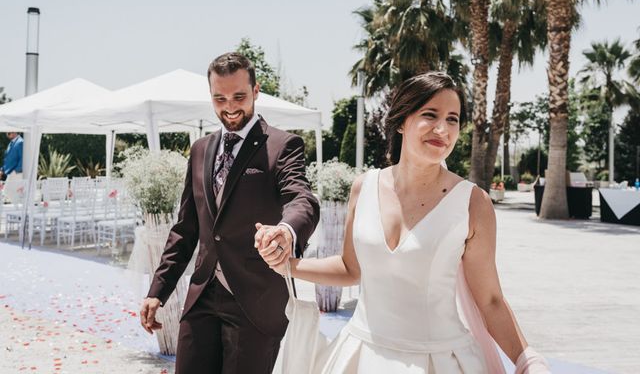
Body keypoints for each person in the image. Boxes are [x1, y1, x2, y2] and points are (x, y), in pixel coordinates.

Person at [257, 72, 549, 373]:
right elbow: (350, 269)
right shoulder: (363, 187)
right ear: (401, 121)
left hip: (440, 362)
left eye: (452, 119)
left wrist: (527, 360)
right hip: (359, 355)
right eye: (430, 114)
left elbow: (490, 300)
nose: (442, 128)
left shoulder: (473, 204)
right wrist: (286, 265)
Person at [139, 52, 320, 374]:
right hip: (202, 298)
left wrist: (286, 231)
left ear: (256, 91)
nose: (230, 106)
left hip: (255, 300)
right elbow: (185, 228)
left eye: (239, 96)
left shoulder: (282, 145)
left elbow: (302, 199)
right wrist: (158, 290)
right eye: (219, 98)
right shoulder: (200, 150)